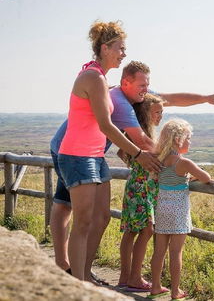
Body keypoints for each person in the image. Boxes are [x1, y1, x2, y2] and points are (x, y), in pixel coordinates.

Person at [50, 56, 214, 281]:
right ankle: (68, 268)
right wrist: (173, 158)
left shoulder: (138, 94)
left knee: (87, 212)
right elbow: (143, 142)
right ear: (126, 82)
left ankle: (79, 272)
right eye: (142, 85)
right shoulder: (120, 100)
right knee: (68, 207)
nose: (146, 89)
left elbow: (171, 98)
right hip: (68, 149)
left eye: (147, 84)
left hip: (89, 152)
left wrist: (206, 98)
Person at [56, 21, 162, 281]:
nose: (124, 54)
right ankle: (78, 285)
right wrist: (138, 153)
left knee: (101, 218)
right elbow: (106, 125)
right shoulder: (92, 78)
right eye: (120, 48)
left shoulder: (100, 77)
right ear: (105, 48)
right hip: (78, 156)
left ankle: (84, 276)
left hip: (94, 156)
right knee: (82, 224)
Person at [148, 119, 211, 300]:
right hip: (178, 213)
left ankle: (155, 286)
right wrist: (190, 176)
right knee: (176, 253)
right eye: (188, 138)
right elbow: (206, 177)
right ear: (178, 140)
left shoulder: (160, 161)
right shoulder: (183, 163)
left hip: (162, 210)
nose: (190, 142)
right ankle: (175, 291)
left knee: (159, 251)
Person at [118, 93, 163, 291]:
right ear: (145, 114)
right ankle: (135, 278)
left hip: (135, 184)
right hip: (143, 186)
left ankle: (125, 277)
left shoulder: (134, 133)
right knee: (146, 230)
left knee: (131, 231)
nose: (160, 116)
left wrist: (135, 164)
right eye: (157, 112)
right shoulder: (144, 136)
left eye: (162, 112)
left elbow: (121, 151)